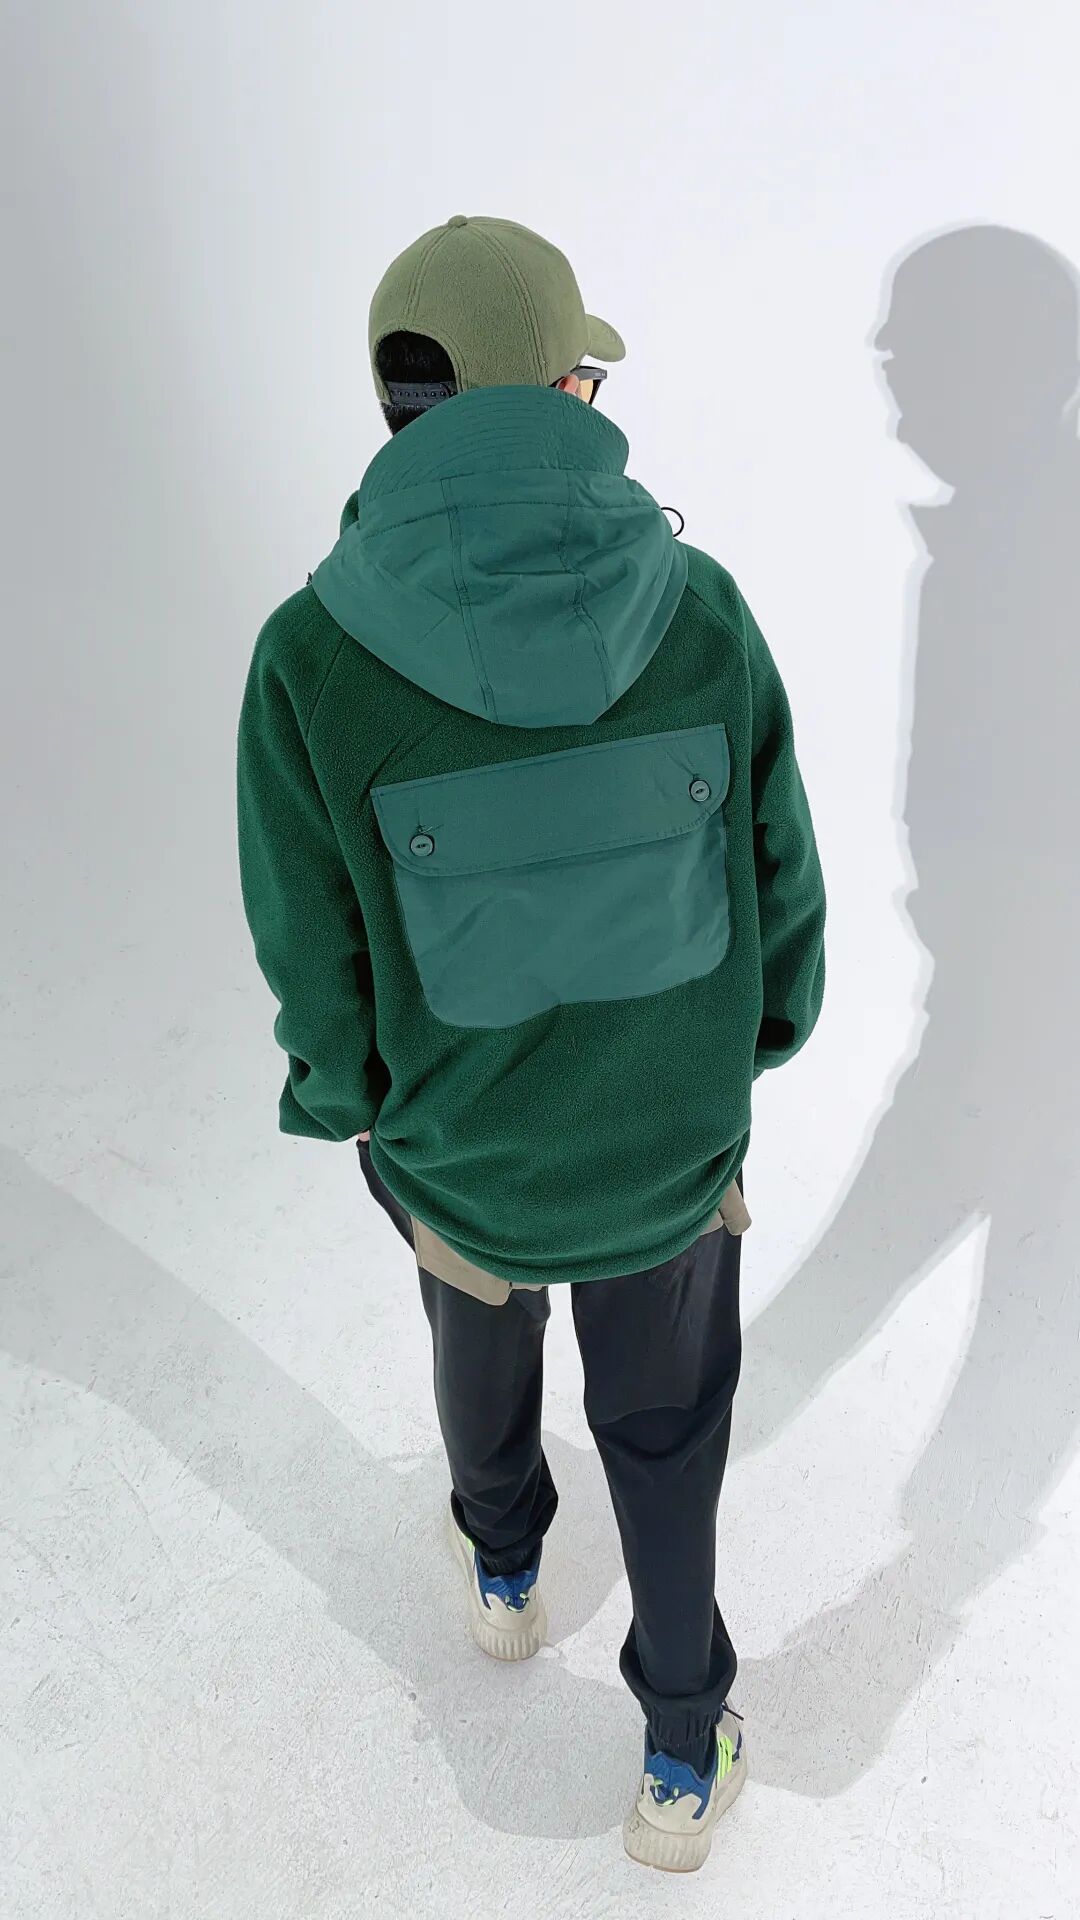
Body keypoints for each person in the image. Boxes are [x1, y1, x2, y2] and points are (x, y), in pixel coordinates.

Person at [236, 214, 826, 1873]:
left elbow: (310, 951)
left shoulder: (308, 655)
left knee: (476, 1324)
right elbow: (780, 875)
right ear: (559, 391)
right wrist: (750, 1051)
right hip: (666, 1152)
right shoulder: (702, 609)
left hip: (464, 1160)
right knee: (668, 1424)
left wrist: (357, 1109)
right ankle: (680, 1750)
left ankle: (504, 1571)